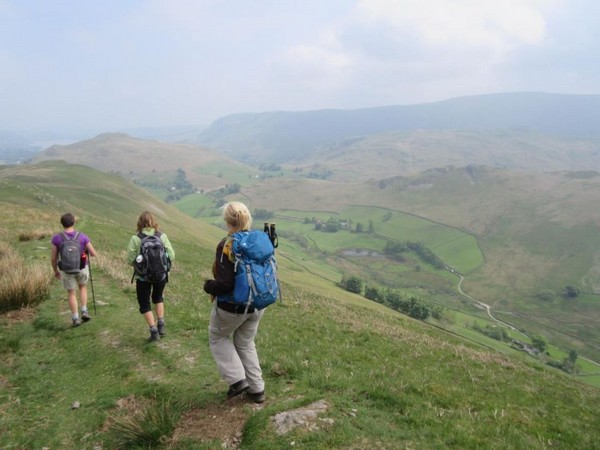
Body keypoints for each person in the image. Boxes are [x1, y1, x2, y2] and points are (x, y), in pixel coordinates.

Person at [203, 201, 266, 403]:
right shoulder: (259, 241)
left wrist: (209, 286)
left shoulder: (227, 245)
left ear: (227, 220)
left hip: (233, 306)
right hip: (258, 303)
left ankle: (238, 380)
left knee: (217, 337)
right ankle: (257, 390)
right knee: (245, 342)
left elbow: (225, 284)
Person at [126, 211, 175, 342]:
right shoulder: (162, 236)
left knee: (144, 304)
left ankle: (154, 332)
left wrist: (139, 266)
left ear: (140, 223)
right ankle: (161, 324)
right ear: (154, 222)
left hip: (143, 278)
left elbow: (130, 258)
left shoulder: (136, 238)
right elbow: (172, 254)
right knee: (158, 298)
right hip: (161, 276)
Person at [50, 213, 97, 327]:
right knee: (82, 287)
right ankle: (84, 311)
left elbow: (53, 258)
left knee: (71, 292)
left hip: (66, 269)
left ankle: (75, 318)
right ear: (74, 222)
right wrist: (84, 250)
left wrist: (55, 270)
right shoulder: (82, 236)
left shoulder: (57, 238)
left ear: (62, 224)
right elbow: (93, 253)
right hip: (81, 267)